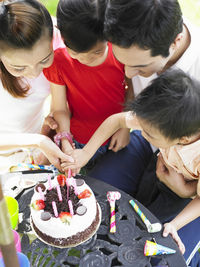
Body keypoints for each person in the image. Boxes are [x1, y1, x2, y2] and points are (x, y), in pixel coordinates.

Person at [84, 0, 200, 265]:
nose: (127, 72)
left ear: (176, 40)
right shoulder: (133, 39)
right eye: (122, 60)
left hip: (190, 180)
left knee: (164, 256)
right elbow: (125, 115)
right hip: (152, 141)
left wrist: (186, 191)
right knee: (90, 202)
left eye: (141, 67)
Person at [61, 68, 200, 259]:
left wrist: (175, 224)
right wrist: (85, 152)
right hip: (159, 167)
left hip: (181, 200)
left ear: (183, 139)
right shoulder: (161, 120)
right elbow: (117, 121)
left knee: (148, 235)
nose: (142, 133)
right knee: (131, 211)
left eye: (149, 134)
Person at [43, 0, 152, 183]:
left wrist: (124, 127)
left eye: (96, 52)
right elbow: (60, 108)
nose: (86, 60)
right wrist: (65, 140)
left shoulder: (120, 54)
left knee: (105, 188)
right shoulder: (59, 63)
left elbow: (130, 90)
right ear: (62, 37)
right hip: (76, 138)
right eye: (76, 53)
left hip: (114, 140)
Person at [0, 0, 72, 171]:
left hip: (33, 148)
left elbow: (63, 104)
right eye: (19, 67)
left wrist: (51, 133)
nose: (34, 73)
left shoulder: (59, 39)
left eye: (44, 60)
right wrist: (37, 141)